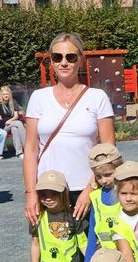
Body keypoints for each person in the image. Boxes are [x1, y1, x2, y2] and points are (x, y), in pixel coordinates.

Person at [24, 33, 115, 227]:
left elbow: (109, 150)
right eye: (57, 57)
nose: (63, 62)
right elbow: (30, 150)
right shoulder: (38, 98)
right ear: (51, 61)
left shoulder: (97, 97)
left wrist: (90, 189)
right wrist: (31, 193)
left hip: (88, 188)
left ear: (80, 60)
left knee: (92, 254)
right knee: (54, 254)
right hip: (49, 191)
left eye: (70, 57)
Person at [85, 143, 124, 262]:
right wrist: (88, 260)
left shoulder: (127, 194)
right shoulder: (95, 197)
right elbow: (93, 231)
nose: (104, 181)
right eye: (98, 177)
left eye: (108, 175)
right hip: (106, 259)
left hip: (128, 256)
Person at [0, 85, 26, 159]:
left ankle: (19, 153)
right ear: (1, 95)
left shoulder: (12, 102)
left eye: (7, 94)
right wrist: (8, 122)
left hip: (12, 123)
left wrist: (11, 120)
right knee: (18, 123)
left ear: (9, 94)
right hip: (3, 126)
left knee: (15, 128)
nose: (6, 96)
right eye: (4, 94)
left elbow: (16, 116)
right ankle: (27, 147)